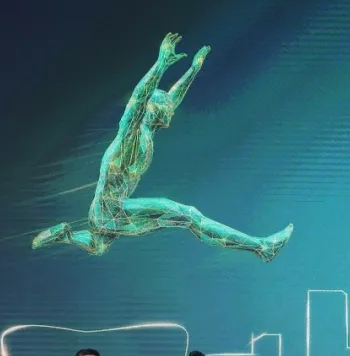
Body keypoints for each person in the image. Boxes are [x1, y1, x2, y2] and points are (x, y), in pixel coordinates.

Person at [32, 32, 293, 261]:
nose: (171, 109)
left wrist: (194, 69)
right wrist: (160, 64)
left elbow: (172, 98)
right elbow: (138, 100)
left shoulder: (148, 131)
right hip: (112, 211)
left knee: (99, 245)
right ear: (153, 109)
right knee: (188, 215)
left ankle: (67, 235)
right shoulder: (132, 135)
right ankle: (262, 247)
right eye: (165, 107)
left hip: (104, 213)